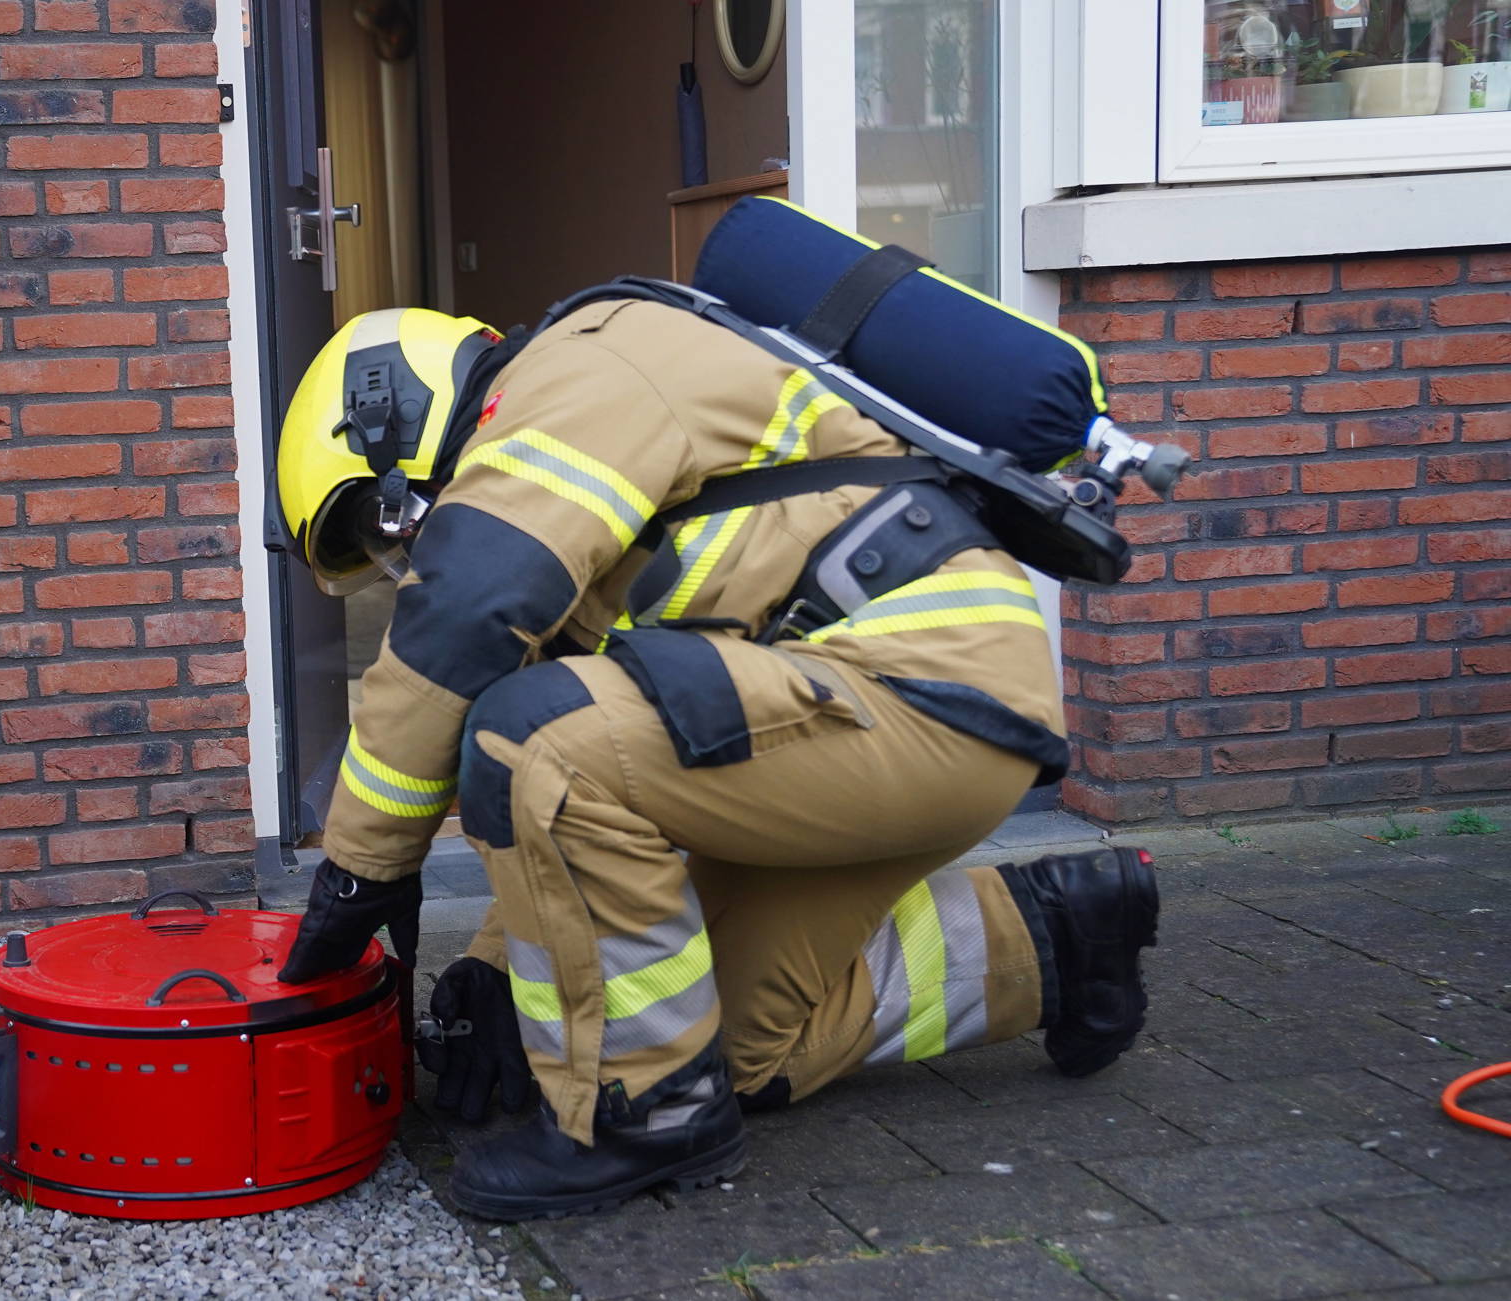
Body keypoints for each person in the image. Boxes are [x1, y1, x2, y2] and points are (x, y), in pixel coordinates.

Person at [270, 298, 1158, 1222]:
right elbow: (597, 775)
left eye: (384, 525)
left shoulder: (583, 367)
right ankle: (1059, 939)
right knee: (724, 1047)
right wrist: (497, 967)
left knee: (528, 733)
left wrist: (358, 873)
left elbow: (465, 626)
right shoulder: (580, 477)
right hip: (895, 710)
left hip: (913, 686)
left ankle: (645, 1119)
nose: (399, 554)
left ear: (390, 423)